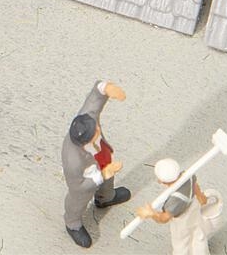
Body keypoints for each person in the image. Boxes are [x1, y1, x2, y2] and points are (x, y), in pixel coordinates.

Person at [61, 80, 131, 248]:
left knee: (108, 181)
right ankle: (72, 223)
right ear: (83, 143)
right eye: (95, 134)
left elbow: (94, 98)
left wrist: (107, 88)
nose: (98, 130)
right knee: (78, 200)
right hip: (87, 176)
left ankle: (105, 197)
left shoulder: (87, 118)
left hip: (101, 159)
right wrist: (102, 175)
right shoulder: (73, 161)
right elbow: (77, 187)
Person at [134, 158, 217, 255]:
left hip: (182, 221)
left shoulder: (174, 200)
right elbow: (195, 186)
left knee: (181, 243)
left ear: (161, 181)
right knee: (198, 233)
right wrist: (200, 197)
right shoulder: (188, 176)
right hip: (194, 208)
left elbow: (165, 218)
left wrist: (151, 214)